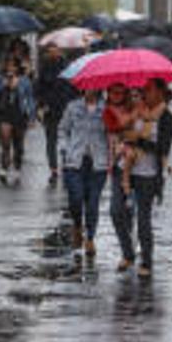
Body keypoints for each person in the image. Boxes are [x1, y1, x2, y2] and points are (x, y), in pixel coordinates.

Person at [110, 79, 172, 277]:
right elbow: (120, 132)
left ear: (161, 92)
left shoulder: (166, 117)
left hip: (147, 174)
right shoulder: (134, 108)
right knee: (116, 212)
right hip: (124, 169)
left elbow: (163, 148)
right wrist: (122, 140)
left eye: (149, 90)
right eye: (143, 89)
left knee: (143, 219)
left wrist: (139, 141)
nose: (145, 93)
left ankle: (146, 260)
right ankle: (128, 253)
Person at [57, 89, 108, 257]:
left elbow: (112, 134)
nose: (91, 90)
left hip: (98, 163)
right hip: (75, 161)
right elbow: (63, 130)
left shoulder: (106, 109)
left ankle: (90, 238)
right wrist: (64, 148)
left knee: (93, 202)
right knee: (76, 198)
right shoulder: (72, 107)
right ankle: (78, 225)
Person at [36, 43, 77, 185]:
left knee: (68, 139)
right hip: (50, 109)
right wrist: (40, 106)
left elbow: (74, 89)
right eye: (50, 50)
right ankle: (53, 169)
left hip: (67, 108)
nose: (53, 52)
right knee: (51, 140)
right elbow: (39, 88)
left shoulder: (69, 67)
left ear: (60, 51)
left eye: (56, 50)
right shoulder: (44, 67)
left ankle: (67, 165)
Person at [0, 58, 36, 184]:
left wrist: (32, 117)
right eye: (8, 66)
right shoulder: (0, 79)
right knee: (5, 142)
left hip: (19, 114)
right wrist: (3, 86)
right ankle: (4, 168)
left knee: (18, 144)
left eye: (13, 66)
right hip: (5, 114)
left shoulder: (25, 81)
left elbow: (30, 99)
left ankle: (17, 168)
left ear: (17, 67)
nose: (10, 69)